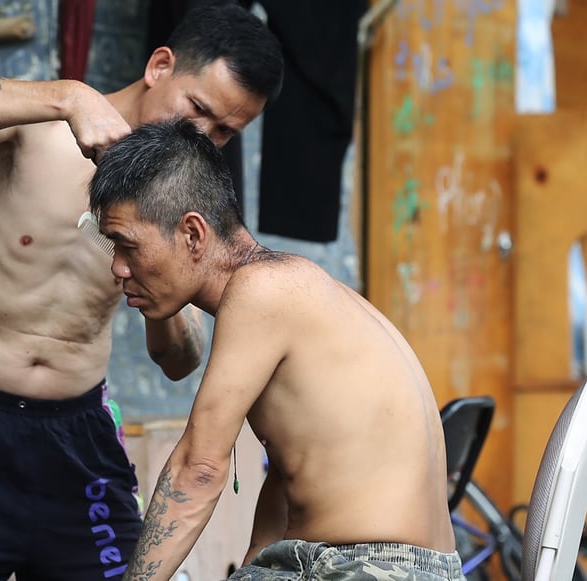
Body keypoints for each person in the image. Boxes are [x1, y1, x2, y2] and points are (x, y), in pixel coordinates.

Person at [0, 5, 283, 581]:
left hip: (80, 436)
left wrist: (157, 283)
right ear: (160, 66)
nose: (203, 136)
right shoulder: (42, 126)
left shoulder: (186, 206)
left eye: (225, 132)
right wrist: (68, 96)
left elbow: (181, 361)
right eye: (199, 110)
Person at [87, 118, 463, 581]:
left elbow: (198, 469)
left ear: (192, 234)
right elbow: (289, 475)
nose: (118, 268)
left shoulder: (261, 291)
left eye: (127, 245)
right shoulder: (300, 288)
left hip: (365, 568)